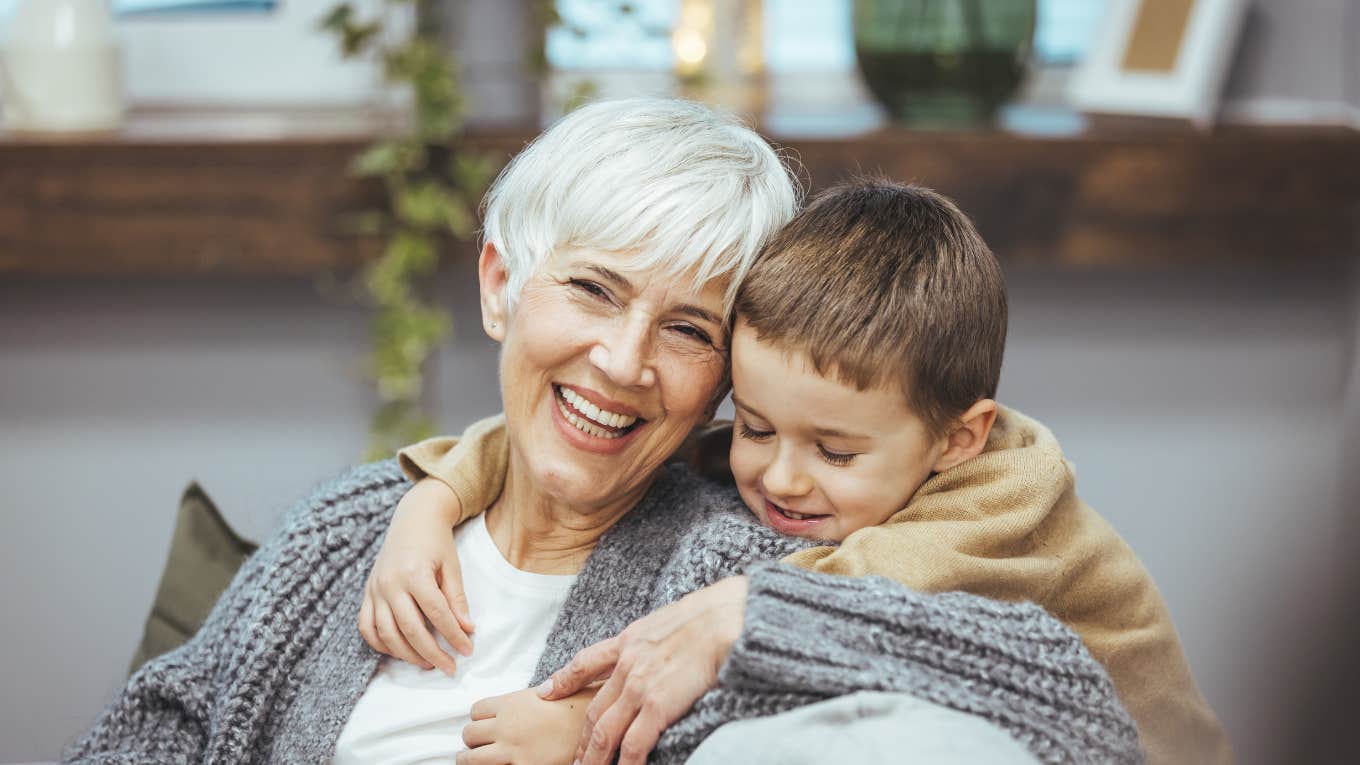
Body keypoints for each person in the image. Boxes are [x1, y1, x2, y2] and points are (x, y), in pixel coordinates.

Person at [62, 99, 1140, 765]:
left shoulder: (745, 558)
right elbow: (161, 728)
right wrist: (430, 498)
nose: (623, 364)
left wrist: (748, 621)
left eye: (686, 328)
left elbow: (1068, 709)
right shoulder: (350, 531)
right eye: (590, 289)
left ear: (731, 376)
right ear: (499, 284)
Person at [373, 180, 1228, 765]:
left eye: (836, 452)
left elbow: (838, 612)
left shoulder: (997, 503)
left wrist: (585, 715)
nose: (780, 478)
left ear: (960, 438)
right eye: (751, 425)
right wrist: (438, 493)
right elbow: (640, 432)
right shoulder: (812, 444)